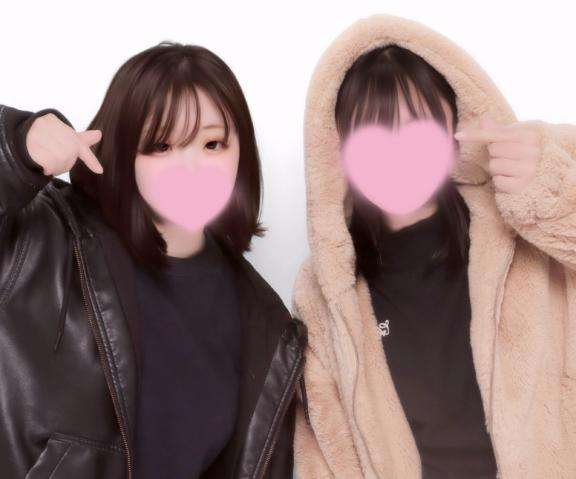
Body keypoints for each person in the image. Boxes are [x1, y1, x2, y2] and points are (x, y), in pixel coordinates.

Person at [0, 41, 306, 479]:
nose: (192, 167)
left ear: (241, 153)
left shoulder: (265, 322)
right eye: (161, 145)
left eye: (213, 143)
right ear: (124, 151)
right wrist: (15, 149)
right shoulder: (46, 240)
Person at [292, 14, 576, 478]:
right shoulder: (327, 285)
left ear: (453, 129)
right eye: (371, 134)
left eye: (418, 126)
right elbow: (325, 446)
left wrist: (549, 192)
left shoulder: (520, 230)